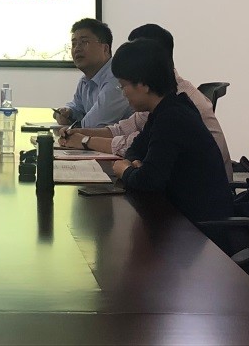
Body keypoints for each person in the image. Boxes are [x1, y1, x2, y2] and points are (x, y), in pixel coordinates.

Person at [59, 23, 232, 179]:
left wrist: (86, 141)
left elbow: (147, 172)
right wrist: (79, 134)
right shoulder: (160, 102)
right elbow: (132, 140)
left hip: (197, 195)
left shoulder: (175, 109)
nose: (123, 93)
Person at [107, 38, 232, 225]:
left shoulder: (173, 117)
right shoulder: (164, 110)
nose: (123, 93)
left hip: (200, 228)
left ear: (144, 84)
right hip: (181, 215)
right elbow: (135, 148)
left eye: (123, 85)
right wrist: (135, 164)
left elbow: (149, 181)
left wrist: (125, 170)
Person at [53, 18, 132, 128]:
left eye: (84, 42)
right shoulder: (85, 80)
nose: (77, 49)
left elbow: (94, 124)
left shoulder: (117, 77)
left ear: (105, 48)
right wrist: (67, 113)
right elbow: (77, 107)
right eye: (74, 44)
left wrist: (74, 123)